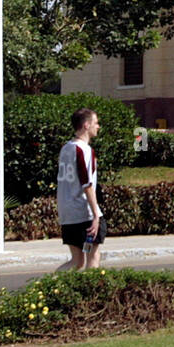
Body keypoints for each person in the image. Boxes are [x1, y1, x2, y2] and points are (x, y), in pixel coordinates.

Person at [56, 108, 105, 272]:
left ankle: (48, 286)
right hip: (84, 215)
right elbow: (87, 185)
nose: (98, 126)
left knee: (77, 261)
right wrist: (96, 216)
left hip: (68, 214)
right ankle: (92, 293)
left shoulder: (66, 148)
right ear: (86, 125)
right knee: (93, 256)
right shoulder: (84, 150)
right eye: (96, 123)